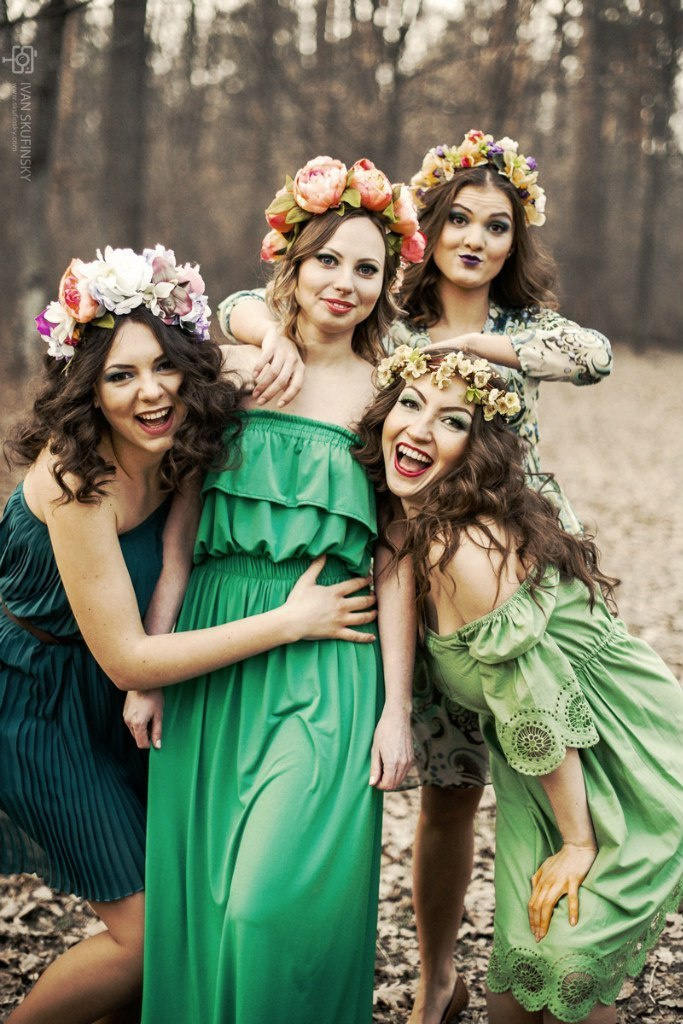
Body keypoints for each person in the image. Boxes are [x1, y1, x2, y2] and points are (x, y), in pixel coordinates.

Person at [213, 130, 613, 1023]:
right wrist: (260, 329)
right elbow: (248, 297)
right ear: (427, 230)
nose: (476, 237)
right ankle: (438, 978)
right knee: (449, 794)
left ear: (516, 242)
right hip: (423, 589)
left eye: (498, 225)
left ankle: (550, 965)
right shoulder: (385, 322)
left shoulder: (521, 331)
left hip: (517, 580)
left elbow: (593, 354)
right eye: (458, 219)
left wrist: (473, 357)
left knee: (543, 769)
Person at [0, 244, 380, 1024]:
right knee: (143, 939)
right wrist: (286, 622)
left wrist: (260, 332)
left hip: (119, 692)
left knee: (183, 905)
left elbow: (249, 326)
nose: (150, 392)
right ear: (86, 388)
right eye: (119, 375)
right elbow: (129, 656)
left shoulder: (178, 434)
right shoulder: (78, 479)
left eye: (162, 368)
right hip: (35, 705)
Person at [135, 156, 424, 1024]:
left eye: (367, 268)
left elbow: (396, 559)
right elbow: (178, 540)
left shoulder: (389, 396)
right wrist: (149, 672)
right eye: (328, 259)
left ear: (386, 285)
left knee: (268, 909)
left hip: (328, 657)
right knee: (210, 907)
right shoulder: (233, 371)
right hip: (213, 649)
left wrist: (396, 709)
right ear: (290, 264)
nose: (344, 282)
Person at [354, 345, 683, 1024]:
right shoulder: (414, 525)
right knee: (514, 992)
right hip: (538, 767)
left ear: (476, 450)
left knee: (566, 971)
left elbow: (539, 704)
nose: (417, 428)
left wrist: (577, 842)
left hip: (612, 749)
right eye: (409, 404)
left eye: (451, 420)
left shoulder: (461, 550)